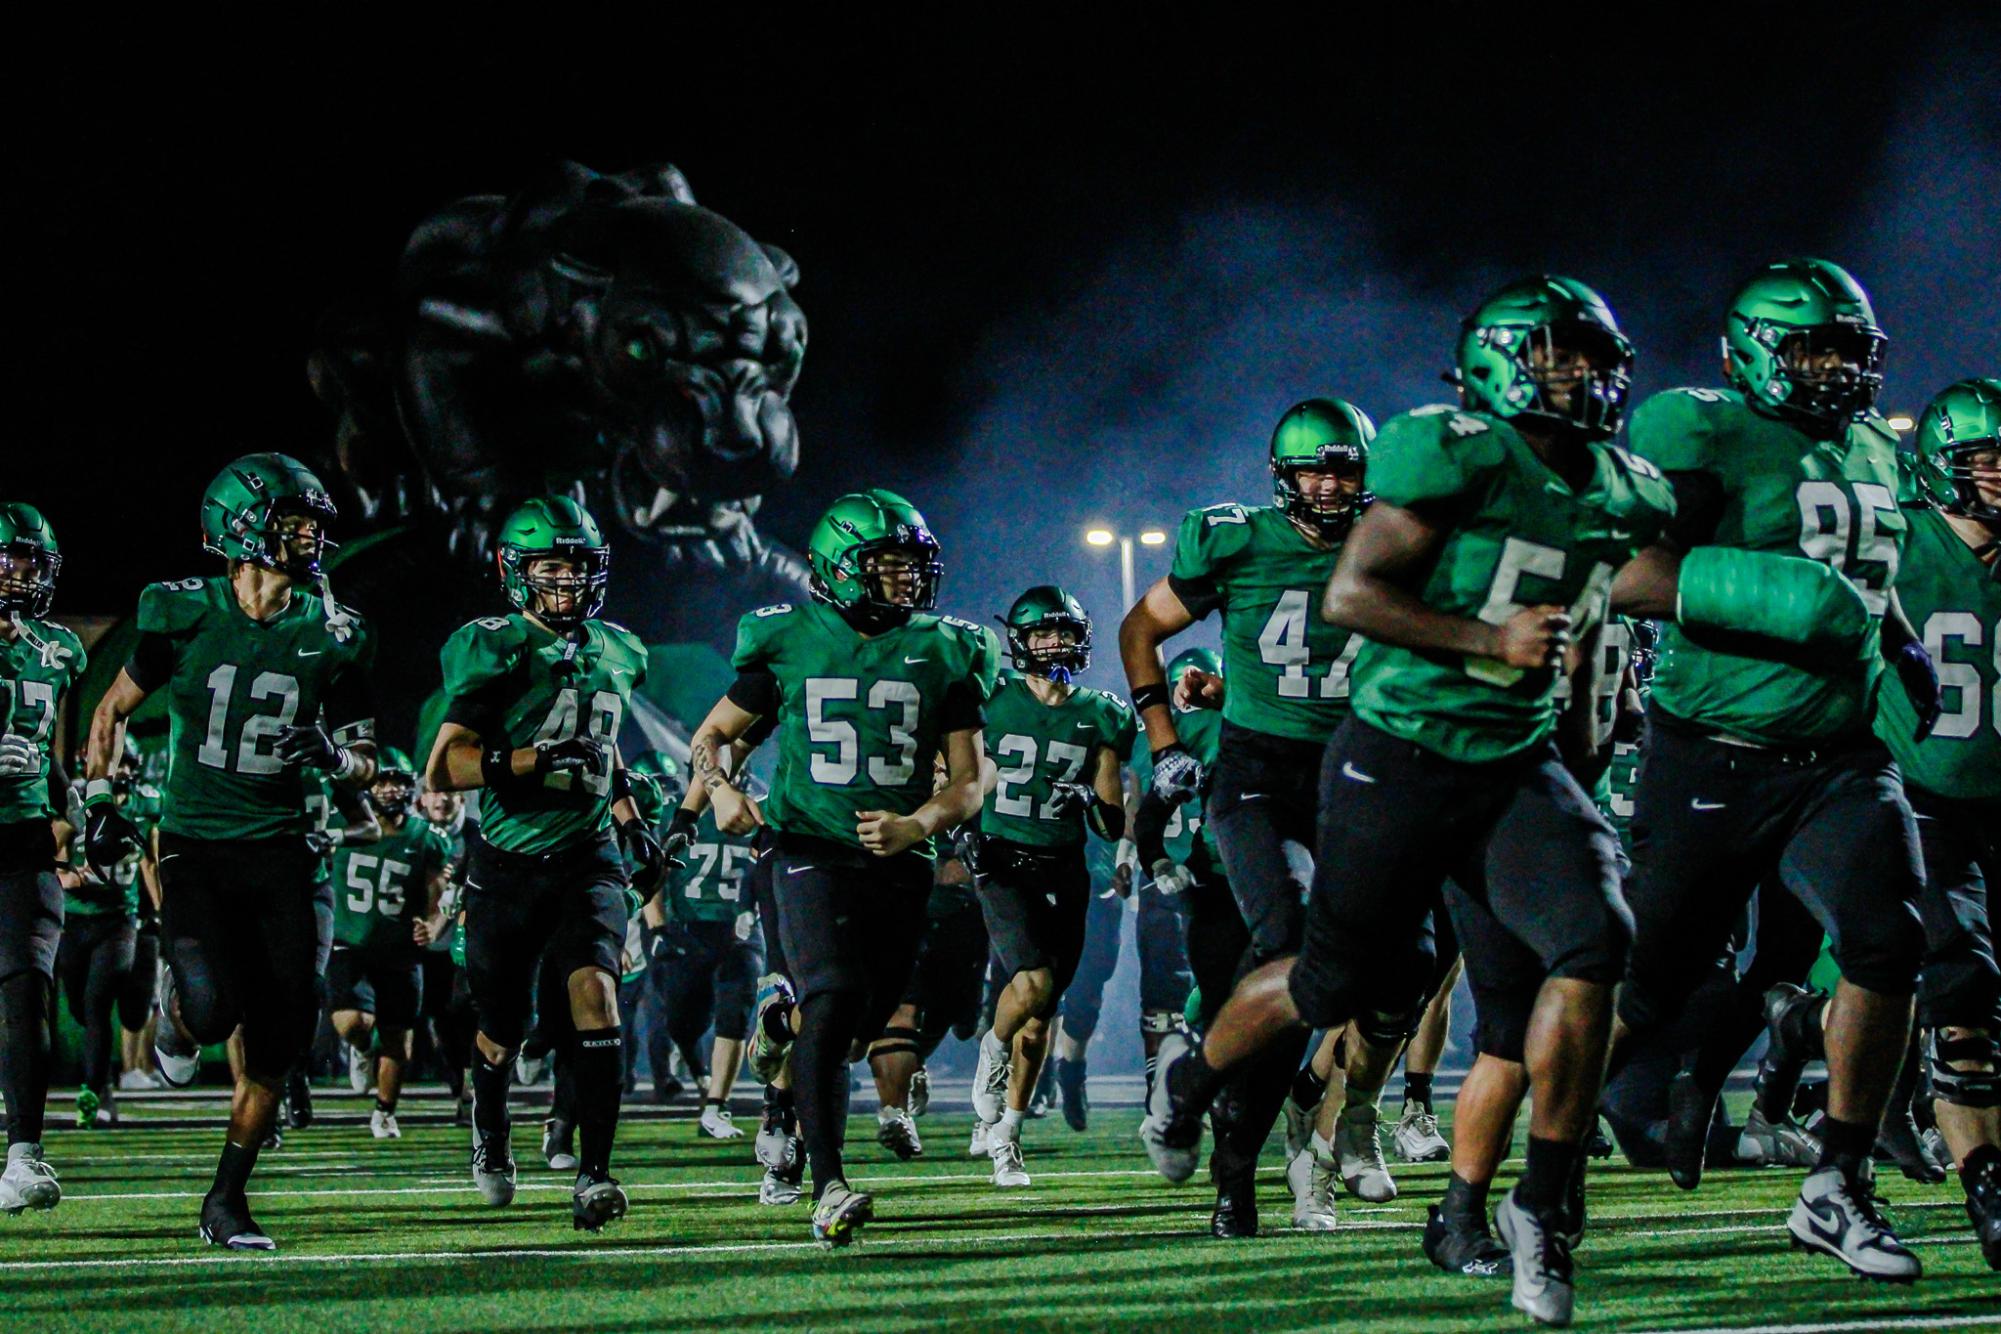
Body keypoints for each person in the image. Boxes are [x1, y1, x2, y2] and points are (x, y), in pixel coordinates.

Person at [1150, 276, 1674, 1325]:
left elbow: (1598, 621)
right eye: (1564, 358)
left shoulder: (1626, 487)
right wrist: (1491, 640)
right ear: (1502, 365)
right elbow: (1354, 594)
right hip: (1397, 753)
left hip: (1512, 764)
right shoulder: (1453, 455)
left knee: (1594, 938)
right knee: (1323, 979)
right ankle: (1194, 1075)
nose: (1591, 379)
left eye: (1596, 359)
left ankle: (1539, 1202)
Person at [1609, 259, 1939, 1282]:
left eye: (1848, 347)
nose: (1835, 368)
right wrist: (1772, 591)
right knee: (1647, 978)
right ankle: (1556, 1146)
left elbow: (1861, 584)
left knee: (1890, 940)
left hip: (1841, 752)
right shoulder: (1701, 429)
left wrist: (1898, 640)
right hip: (1713, 745)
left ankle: (1837, 1182)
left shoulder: (1881, 447)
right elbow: (1623, 570)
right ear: (1752, 350)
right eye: (1812, 348)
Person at [687, 488, 998, 1246]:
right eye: (887, 565)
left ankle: (779, 1028)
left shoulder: (948, 648)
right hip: (807, 847)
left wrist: (916, 823)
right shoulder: (788, 636)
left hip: (899, 855)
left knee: (855, 1026)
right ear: (839, 567)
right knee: (835, 995)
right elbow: (711, 736)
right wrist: (721, 792)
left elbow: (970, 777)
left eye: (912, 566)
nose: (906, 580)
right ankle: (829, 1184)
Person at [83, 455, 377, 1249]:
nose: (309, 534)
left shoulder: (334, 631)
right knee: (212, 1012)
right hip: (197, 847)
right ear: (240, 529)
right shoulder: (181, 613)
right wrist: (103, 798)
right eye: (291, 520)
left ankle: (227, 1198)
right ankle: (179, 1024)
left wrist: (334, 757)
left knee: (286, 1028)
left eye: (311, 520)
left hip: (287, 851)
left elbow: (367, 763)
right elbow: (111, 711)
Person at [1119, 398, 1390, 1237]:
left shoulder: (1392, 544)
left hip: (1357, 781)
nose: (1332, 483)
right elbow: (1140, 629)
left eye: (1346, 467)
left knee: (1391, 970)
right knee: (1294, 948)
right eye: (1317, 467)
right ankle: (1229, 1159)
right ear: (1281, 478)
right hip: (1259, 779)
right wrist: (1164, 739)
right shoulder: (1234, 539)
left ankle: (1220, 1101)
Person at [425, 495, 665, 1233]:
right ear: (516, 572)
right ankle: (490, 1130)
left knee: (597, 992)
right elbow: (444, 768)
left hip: (585, 855)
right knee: (502, 1026)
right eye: (551, 565)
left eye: (578, 565)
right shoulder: (494, 646)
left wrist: (631, 824)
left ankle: (594, 1173)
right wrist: (532, 759)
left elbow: (605, 743)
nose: (566, 580)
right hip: (506, 859)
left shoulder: (617, 650)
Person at [1870, 377, 2000, 1268]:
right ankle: (1985, 1179)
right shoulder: (1901, 545)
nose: (1998, 479)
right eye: (1985, 462)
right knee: (1961, 989)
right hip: (1922, 795)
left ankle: (1807, 1027)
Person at [966, 585, 1136, 1187]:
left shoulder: (1103, 712)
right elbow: (955, 766)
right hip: (1002, 856)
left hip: (1063, 865)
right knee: (1031, 984)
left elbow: (1111, 818)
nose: (1055, 643)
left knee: (1042, 1016)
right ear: (1020, 641)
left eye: (1064, 633)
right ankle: (991, 1050)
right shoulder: (990, 697)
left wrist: (1092, 799)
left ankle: (1007, 1134)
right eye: (1043, 634)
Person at [0, 502, 85, 1213]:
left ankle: (24, 1153)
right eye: (9, 560)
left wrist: (76, 815)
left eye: (30, 560)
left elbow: (54, 759)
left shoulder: (55, 649)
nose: (21, 574)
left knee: (29, 988)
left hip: (21, 838)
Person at [327, 747, 452, 1139]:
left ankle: (384, 1112)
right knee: (353, 1023)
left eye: (395, 781)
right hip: (350, 939)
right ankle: (361, 1048)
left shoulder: (426, 837)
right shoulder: (341, 826)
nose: (387, 789)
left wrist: (432, 927)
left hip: (399, 947)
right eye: (380, 780)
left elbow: (438, 895)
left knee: (399, 1036)